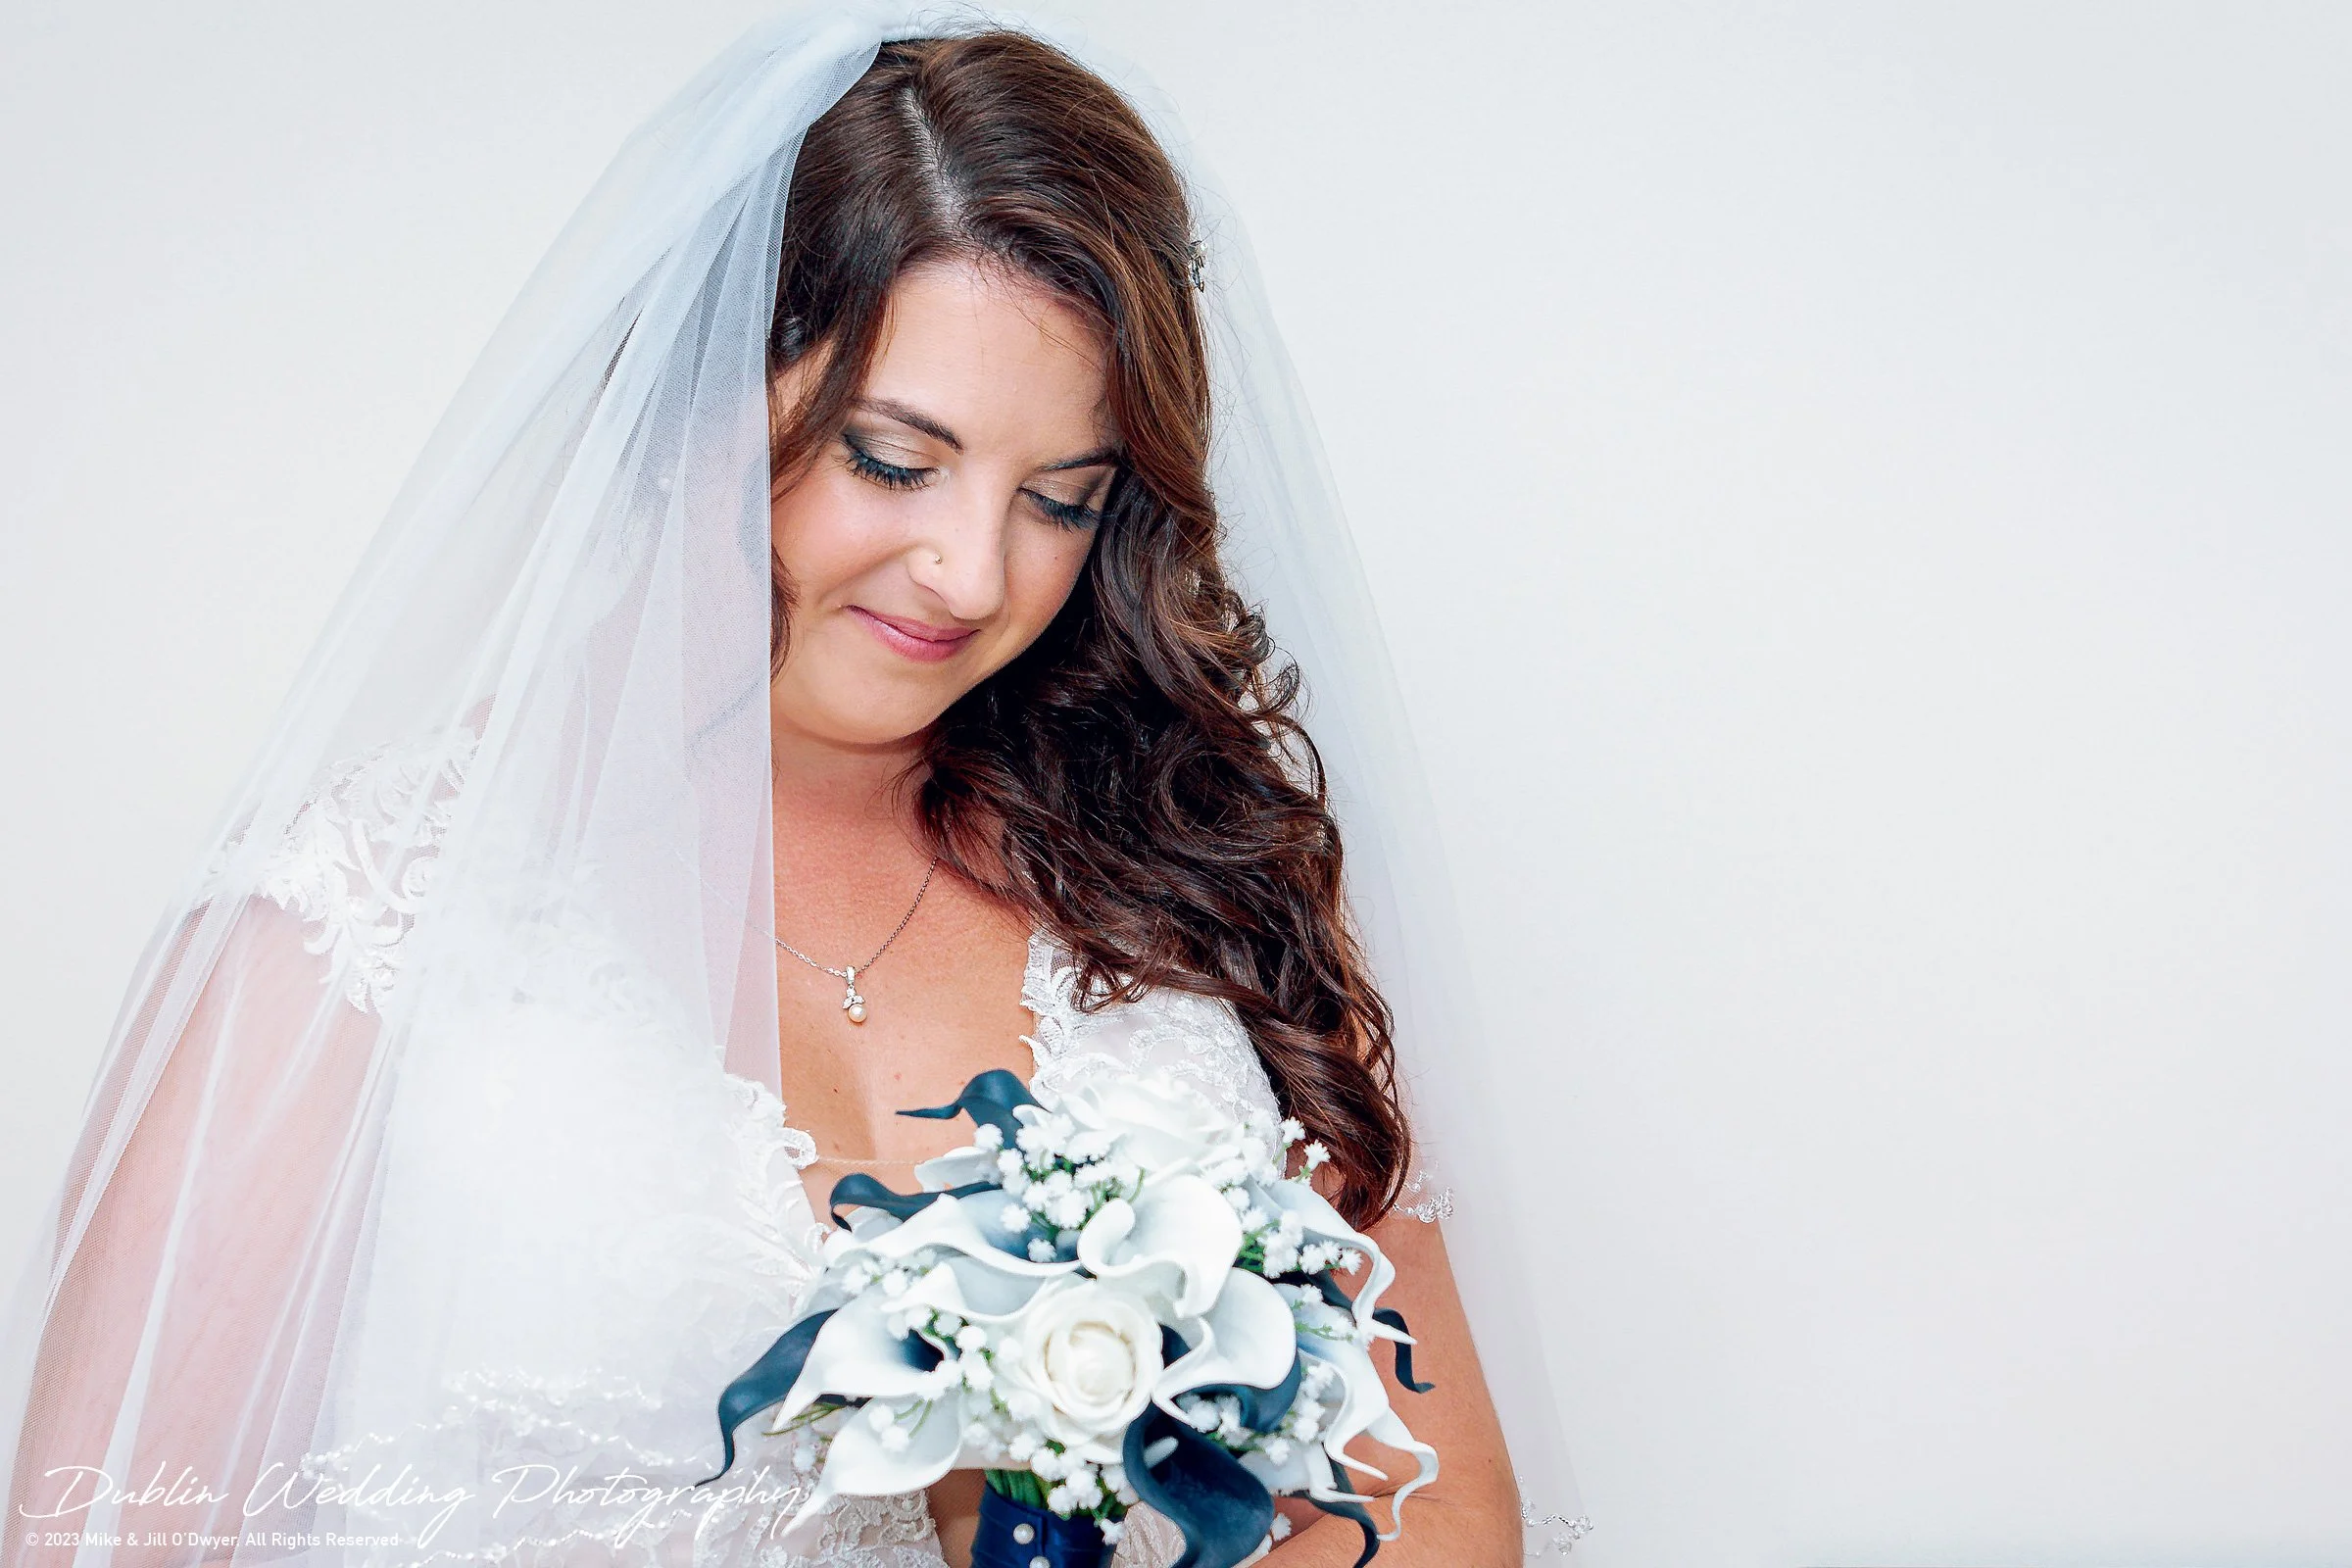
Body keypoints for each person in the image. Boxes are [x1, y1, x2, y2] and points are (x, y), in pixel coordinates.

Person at [0, 7, 1588, 1565]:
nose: (973, 572)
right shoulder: (352, 932)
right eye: (895, 460)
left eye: (1059, 497)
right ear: (697, 393)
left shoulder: (1191, 867)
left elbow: (1436, 1493)